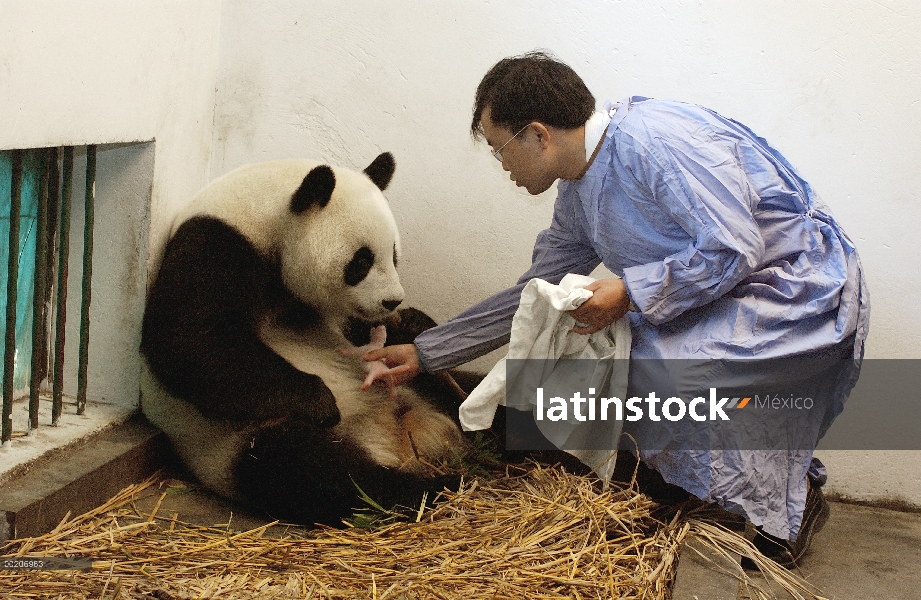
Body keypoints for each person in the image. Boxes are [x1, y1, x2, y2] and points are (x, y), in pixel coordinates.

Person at [364, 51, 869, 568]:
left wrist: (627, 291)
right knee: (609, 353)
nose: (505, 169)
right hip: (718, 292)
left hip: (796, 285)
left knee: (673, 369)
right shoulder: (578, 194)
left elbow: (736, 247)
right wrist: (425, 353)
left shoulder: (652, 141)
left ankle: (796, 498)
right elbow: (534, 293)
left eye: (500, 151)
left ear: (538, 135)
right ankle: (701, 488)